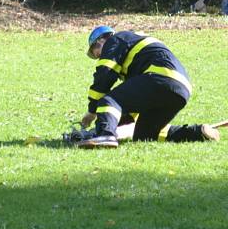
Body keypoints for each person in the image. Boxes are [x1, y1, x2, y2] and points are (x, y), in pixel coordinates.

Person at [76, 26, 219, 148]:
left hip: (160, 77)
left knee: (109, 100)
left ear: (101, 40)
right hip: (180, 88)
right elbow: (132, 107)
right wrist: (105, 122)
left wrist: (93, 111)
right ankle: (199, 132)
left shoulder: (116, 40)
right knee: (145, 135)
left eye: (96, 52)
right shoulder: (134, 49)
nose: (98, 56)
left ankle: (105, 136)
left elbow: (104, 76)